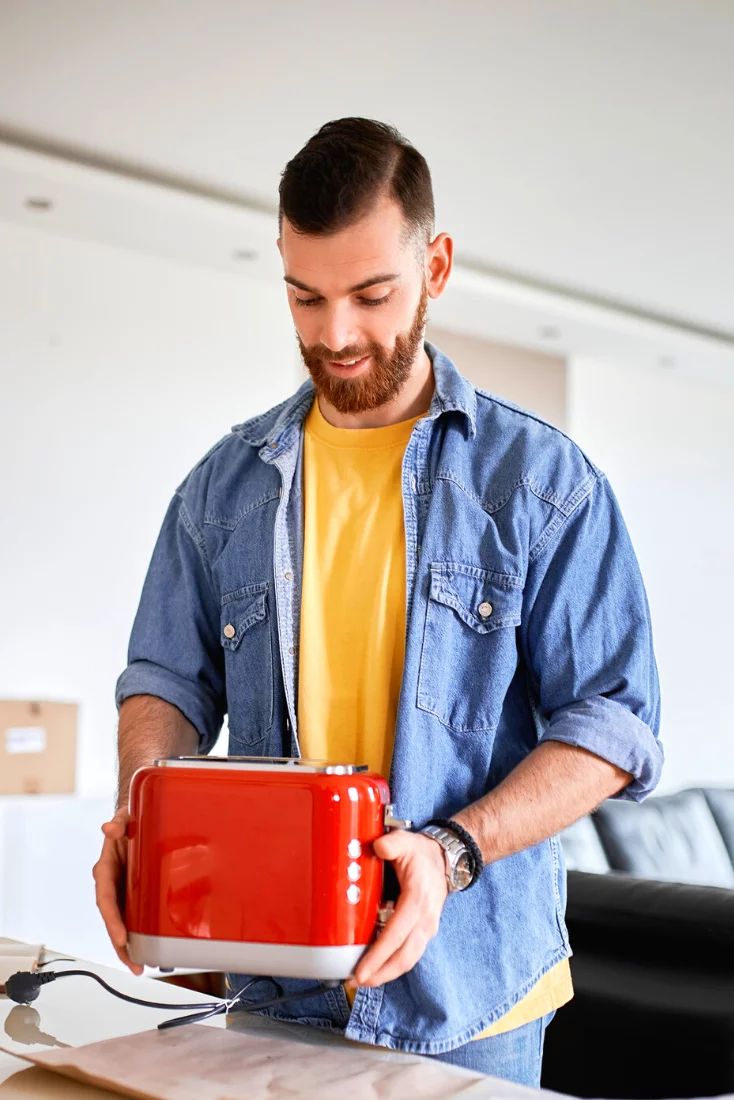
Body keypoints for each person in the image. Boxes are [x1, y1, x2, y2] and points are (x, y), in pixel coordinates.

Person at [94, 117, 662, 1086]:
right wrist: (142, 808)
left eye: (370, 293)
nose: (337, 333)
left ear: (434, 265)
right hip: (273, 989)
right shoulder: (219, 490)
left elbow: (615, 724)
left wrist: (450, 849)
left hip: (472, 1004)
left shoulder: (541, 483)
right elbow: (162, 683)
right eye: (304, 297)